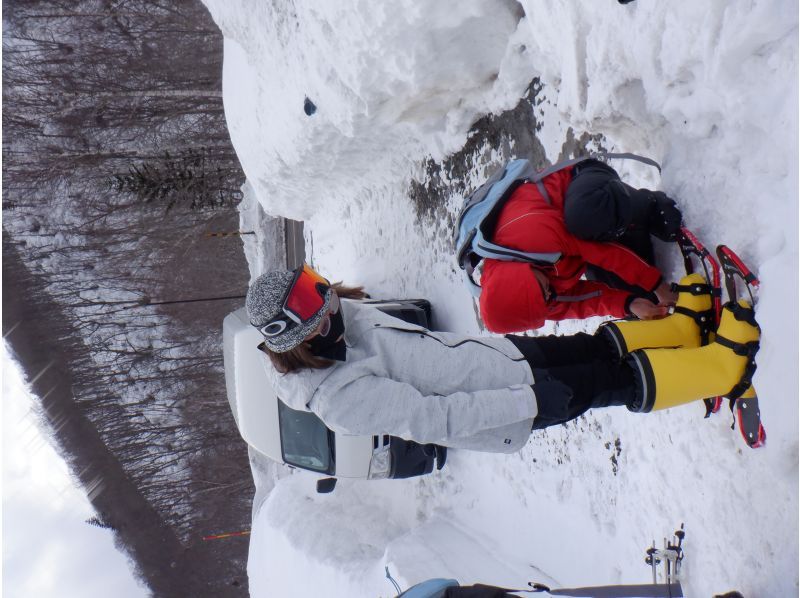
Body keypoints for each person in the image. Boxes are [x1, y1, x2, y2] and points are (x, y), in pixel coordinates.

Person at [246, 263, 759, 453]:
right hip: (510, 403)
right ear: (303, 339)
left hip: (500, 357)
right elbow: (438, 418)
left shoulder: (338, 316)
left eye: (320, 291)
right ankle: (719, 370)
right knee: (612, 380)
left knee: (592, 347)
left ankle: (679, 333)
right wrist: (529, 401)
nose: (332, 302)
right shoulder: (339, 400)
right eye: (319, 309)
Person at [478, 158, 683, 333]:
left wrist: (658, 285)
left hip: (587, 186)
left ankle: (650, 206)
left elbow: (603, 253)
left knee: (584, 217)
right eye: (545, 300)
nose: (549, 295)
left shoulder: (529, 236)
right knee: (643, 300)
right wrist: (630, 304)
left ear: (522, 276)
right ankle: (634, 231)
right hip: (582, 244)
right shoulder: (534, 303)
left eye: (542, 291)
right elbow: (584, 301)